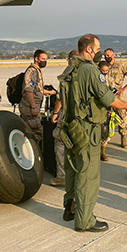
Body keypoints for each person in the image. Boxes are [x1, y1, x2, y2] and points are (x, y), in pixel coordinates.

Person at [60, 34, 127, 232]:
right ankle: (85, 220)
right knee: (88, 175)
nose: (100, 51)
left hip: (72, 127)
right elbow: (108, 99)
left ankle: (70, 208)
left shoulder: (71, 67)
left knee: (73, 169)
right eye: (98, 47)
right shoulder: (91, 70)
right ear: (90, 49)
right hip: (87, 129)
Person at [49, 49, 79, 187]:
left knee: (59, 141)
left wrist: (55, 113)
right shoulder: (90, 73)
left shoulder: (68, 74)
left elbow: (61, 97)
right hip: (82, 118)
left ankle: (62, 176)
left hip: (67, 115)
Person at [19, 49, 56, 143]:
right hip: (30, 109)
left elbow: (36, 89)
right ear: (37, 59)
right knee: (35, 134)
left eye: (46, 59)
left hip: (34, 107)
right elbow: (28, 90)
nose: (45, 61)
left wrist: (48, 92)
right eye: (43, 59)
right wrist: (33, 107)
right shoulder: (32, 72)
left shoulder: (37, 71)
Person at [102, 48, 127, 148]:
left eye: (109, 55)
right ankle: (104, 142)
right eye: (105, 55)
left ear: (113, 55)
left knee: (121, 118)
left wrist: (124, 88)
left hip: (118, 96)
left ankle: (123, 137)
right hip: (106, 95)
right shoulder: (103, 66)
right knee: (105, 119)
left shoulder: (121, 65)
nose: (107, 57)